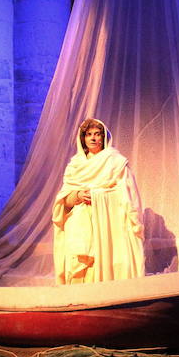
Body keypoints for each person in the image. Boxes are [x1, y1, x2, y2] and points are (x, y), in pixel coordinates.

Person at [52, 118, 144, 284]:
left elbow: (128, 195)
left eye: (97, 134)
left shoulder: (115, 162)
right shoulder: (75, 165)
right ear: (83, 138)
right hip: (80, 220)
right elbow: (64, 200)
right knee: (78, 255)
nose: (93, 138)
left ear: (104, 137)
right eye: (89, 135)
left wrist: (97, 195)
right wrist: (78, 195)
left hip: (108, 221)